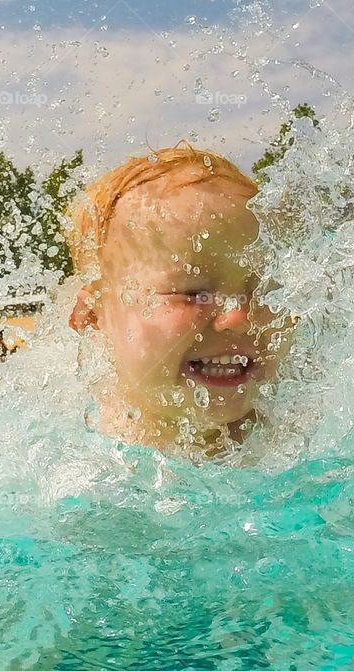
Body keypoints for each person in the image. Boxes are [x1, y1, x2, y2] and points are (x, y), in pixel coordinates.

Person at [65, 145, 295, 455]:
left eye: (263, 290)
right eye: (192, 292)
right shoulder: (79, 456)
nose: (238, 316)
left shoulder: (299, 431)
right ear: (93, 317)